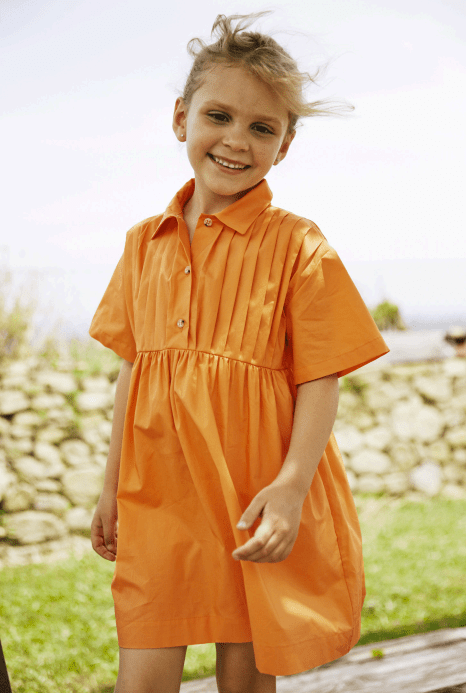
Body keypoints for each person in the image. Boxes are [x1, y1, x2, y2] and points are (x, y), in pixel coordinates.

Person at [89, 12, 389, 693]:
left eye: (262, 127)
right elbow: (134, 369)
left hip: (252, 490)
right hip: (157, 496)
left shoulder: (299, 244)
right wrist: (112, 486)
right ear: (180, 118)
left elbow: (320, 377)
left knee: (247, 681)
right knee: (141, 678)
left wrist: (289, 488)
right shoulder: (143, 243)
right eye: (219, 115)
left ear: (285, 145)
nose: (236, 140)